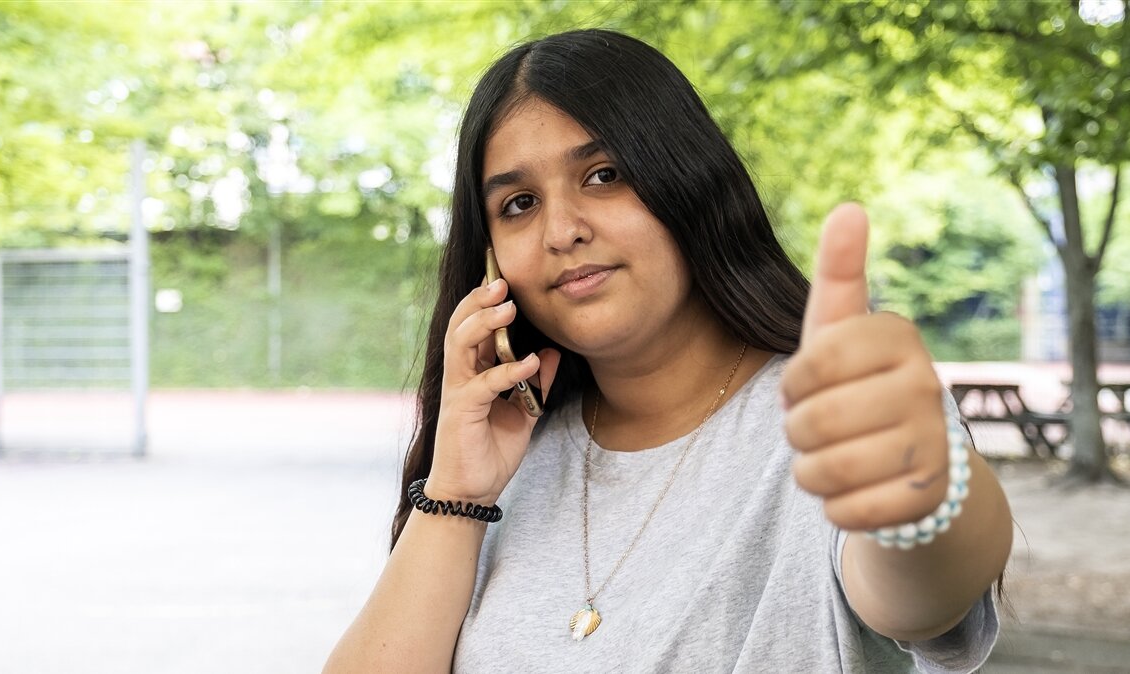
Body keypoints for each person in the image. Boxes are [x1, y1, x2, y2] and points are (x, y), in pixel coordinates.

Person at [324, 29, 1012, 673]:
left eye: (603, 174)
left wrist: (922, 500)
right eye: (520, 204)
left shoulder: (831, 417)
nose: (562, 230)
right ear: (489, 263)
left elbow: (924, 599)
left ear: (689, 181)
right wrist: (456, 496)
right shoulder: (502, 463)